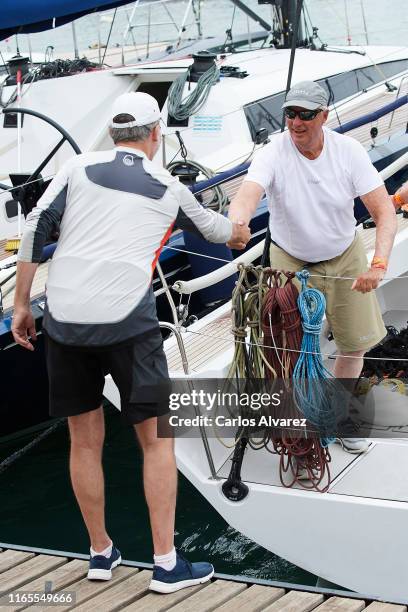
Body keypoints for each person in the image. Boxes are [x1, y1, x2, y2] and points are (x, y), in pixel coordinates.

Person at [12, 92, 250, 593]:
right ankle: (166, 564)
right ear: (154, 134)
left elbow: (36, 227)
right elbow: (217, 229)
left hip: (66, 320)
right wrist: (240, 231)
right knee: (155, 440)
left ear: (115, 133)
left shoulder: (77, 168)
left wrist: (19, 305)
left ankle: (100, 554)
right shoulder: (168, 184)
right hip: (127, 324)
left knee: (83, 440)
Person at [229, 80, 397, 454]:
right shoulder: (273, 153)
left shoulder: (348, 151)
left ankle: (339, 415)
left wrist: (379, 263)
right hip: (291, 260)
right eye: (290, 113)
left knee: (353, 346)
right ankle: (297, 421)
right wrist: (236, 224)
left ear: (323, 116)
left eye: (306, 114)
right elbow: (247, 195)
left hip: (345, 254)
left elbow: (384, 210)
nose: (296, 122)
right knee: (290, 351)